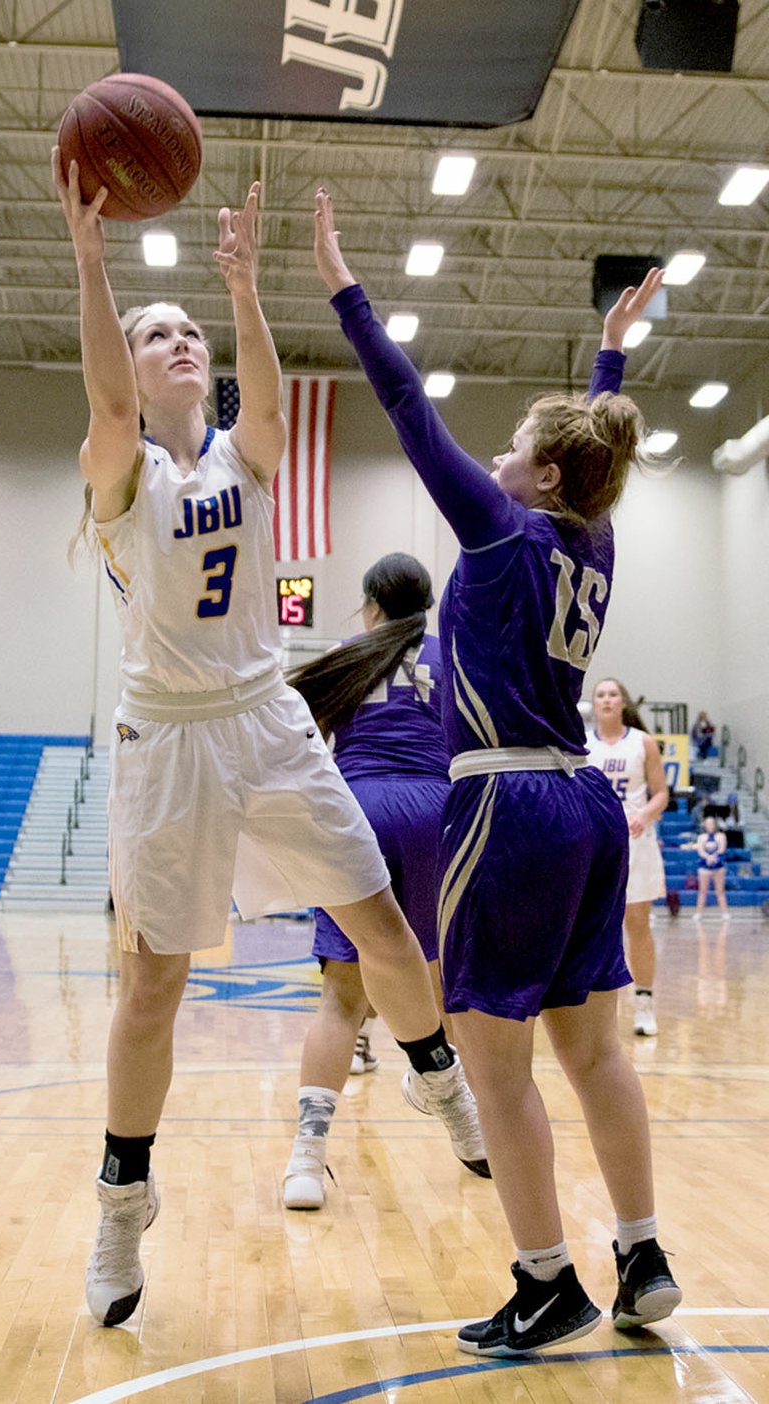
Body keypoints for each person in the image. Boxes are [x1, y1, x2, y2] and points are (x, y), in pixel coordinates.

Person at [52, 152, 487, 1329]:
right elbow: (100, 401)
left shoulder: (243, 463)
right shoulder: (121, 471)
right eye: (159, 335)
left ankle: (436, 1079)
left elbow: (272, 403)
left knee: (382, 924)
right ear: (134, 377)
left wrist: (243, 292)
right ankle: (122, 1201)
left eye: (188, 331)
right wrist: (94, 265)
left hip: (267, 721)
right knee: (153, 986)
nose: (179, 341)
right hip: (170, 743)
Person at [312, 187, 681, 1356]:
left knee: (496, 1062)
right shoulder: (590, 533)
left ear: (542, 479)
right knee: (592, 1051)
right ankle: (640, 1249)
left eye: (514, 450)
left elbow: (407, 405)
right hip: (585, 806)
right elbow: (596, 437)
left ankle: (543, 1280)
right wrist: (610, 353)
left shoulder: (500, 529)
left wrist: (342, 287)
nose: (494, 455)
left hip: (508, 804)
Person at [282, 553, 486, 1208]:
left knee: (343, 997)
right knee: (437, 980)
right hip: (436, 813)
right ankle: (464, 1123)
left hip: (359, 811)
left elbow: (299, 742)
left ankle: (307, 1161)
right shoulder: (452, 655)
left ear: (370, 603)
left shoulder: (348, 652)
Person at [587, 679, 669, 1036]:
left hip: (635, 840)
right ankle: (596, 1014)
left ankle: (644, 1005)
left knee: (637, 925)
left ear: (623, 702)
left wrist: (645, 814)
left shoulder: (642, 742)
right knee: (592, 930)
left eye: (613, 694)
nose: (607, 699)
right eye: (601, 694)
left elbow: (662, 793)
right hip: (593, 843)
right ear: (594, 704)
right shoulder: (581, 744)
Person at [695, 815, 729, 917]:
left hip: (718, 866)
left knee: (720, 891)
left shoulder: (721, 836)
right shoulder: (701, 837)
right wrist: (708, 858)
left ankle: (725, 913)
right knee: (702, 891)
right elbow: (700, 851)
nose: (710, 826)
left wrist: (714, 857)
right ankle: (698, 913)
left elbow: (722, 849)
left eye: (711, 824)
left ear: (715, 825)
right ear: (704, 825)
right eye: (707, 824)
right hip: (704, 867)